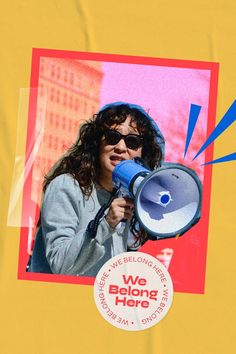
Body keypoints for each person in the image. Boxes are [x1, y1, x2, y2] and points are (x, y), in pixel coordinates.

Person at [28, 102, 165, 276]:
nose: (121, 147)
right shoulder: (66, 186)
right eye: (112, 137)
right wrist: (106, 224)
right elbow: (61, 266)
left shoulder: (128, 198)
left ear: (142, 153)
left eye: (132, 141)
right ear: (97, 143)